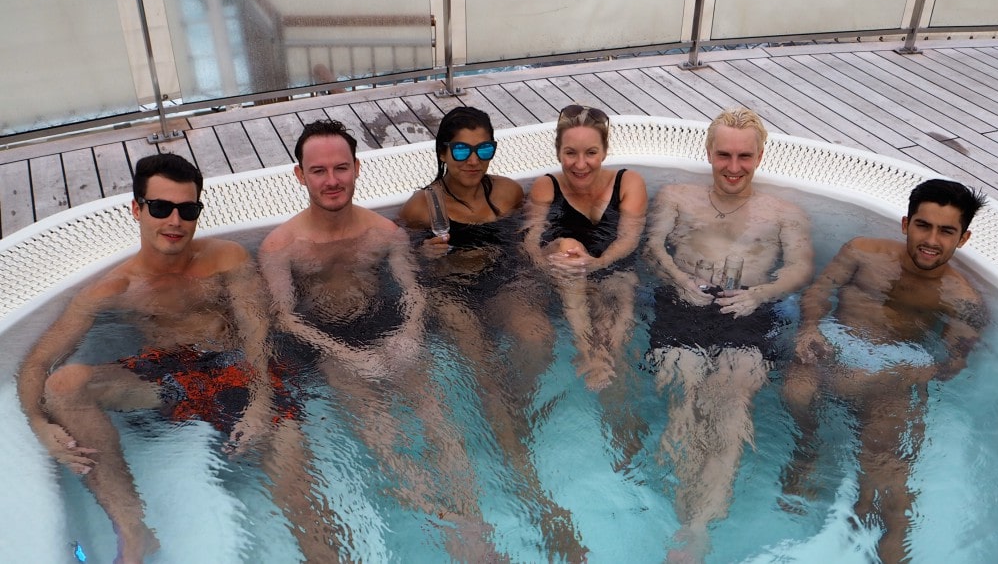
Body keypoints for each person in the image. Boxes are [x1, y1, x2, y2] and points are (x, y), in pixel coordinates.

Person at [16, 153, 341, 564]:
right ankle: (133, 531)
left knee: (302, 494)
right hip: (171, 375)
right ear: (137, 209)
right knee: (64, 385)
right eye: (160, 208)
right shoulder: (115, 289)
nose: (175, 221)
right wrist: (40, 424)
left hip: (238, 369)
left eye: (187, 210)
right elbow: (36, 363)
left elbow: (257, 335)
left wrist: (261, 403)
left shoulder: (226, 260)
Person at [258, 118, 497, 560]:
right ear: (300, 175)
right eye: (319, 171)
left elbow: (413, 293)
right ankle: (441, 519)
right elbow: (286, 319)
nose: (332, 180)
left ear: (357, 168)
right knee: (380, 428)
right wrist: (346, 356)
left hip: (386, 325)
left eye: (341, 168)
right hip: (327, 339)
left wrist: (409, 335)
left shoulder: (385, 234)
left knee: (436, 415)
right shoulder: (281, 246)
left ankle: (472, 518)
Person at [397, 106, 584, 560]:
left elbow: (528, 241)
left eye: (484, 149)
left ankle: (511, 405)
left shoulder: (508, 192)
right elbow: (403, 269)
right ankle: (533, 493)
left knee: (538, 339)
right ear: (443, 152)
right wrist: (423, 256)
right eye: (462, 150)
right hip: (453, 295)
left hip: (502, 287)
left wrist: (557, 252)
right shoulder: (422, 206)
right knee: (486, 375)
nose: (473, 160)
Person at [782, 178, 987, 563]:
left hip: (892, 379)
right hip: (833, 353)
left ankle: (888, 536)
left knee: (886, 474)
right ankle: (807, 449)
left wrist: (894, 374)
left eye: (946, 231)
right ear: (906, 224)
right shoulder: (862, 252)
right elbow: (819, 291)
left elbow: (949, 366)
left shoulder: (963, 301)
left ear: (963, 238)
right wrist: (809, 328)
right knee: (797, 390)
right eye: (923, 225)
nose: (931, 240)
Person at [644, 107, 814, 559]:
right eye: (724, 155)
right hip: (684, 302)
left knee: (730, 402)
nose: (733, 167)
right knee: (684, 394)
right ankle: (683, 516)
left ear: (760, 156)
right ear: (708, 152)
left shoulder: (784, 213)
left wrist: (761, 294)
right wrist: (679, 279)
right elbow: (652, 247)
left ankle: (700, 524)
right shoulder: (677, 197)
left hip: (750, 309)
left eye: (744, 156)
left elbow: (800, 267)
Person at [524, 104, 648, 392]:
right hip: (561, 273)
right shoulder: (546, 186)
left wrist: (597, 263)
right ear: (558, 152)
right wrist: (551, 265)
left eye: (590, 153)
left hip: (611, 272)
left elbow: (628, 240)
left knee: (617, 328)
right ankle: (585, 347)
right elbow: (530, 244)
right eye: (571, 153)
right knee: (569, 248)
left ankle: (608, 365)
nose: (580, 165)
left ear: (604, 152)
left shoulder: (628, 182)